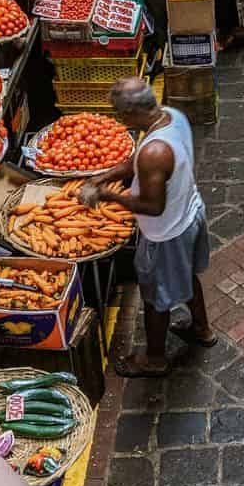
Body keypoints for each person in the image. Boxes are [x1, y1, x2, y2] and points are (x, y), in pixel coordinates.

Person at [82, 78, 212, 377]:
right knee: (187, 275)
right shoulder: (170, 116)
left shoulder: (155, 152)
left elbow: (153, 206)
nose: (118, 119)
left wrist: (109, 196)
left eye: (119, 114)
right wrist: (105, 176)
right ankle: (202, 330)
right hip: (189, 214)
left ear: (130, 114)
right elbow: (136, 162)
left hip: (165, 235)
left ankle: (154, 359)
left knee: (154, 299)